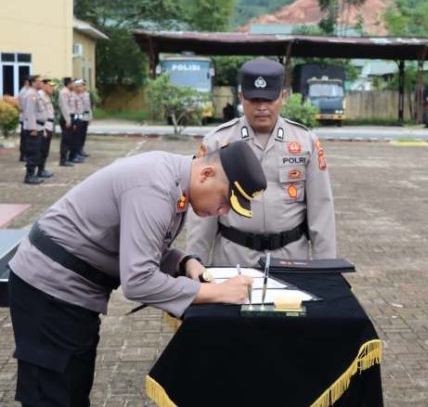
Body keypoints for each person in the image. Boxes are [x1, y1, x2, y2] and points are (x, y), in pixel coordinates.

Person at [8, 141, 267, 406]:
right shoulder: (154, 187)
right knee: (53, 396)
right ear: (206, 174)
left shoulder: (175, 182)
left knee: (73, 388)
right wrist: (217, 292)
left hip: (74, 291)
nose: (222, 211)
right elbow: (138, 281)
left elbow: (143, 245)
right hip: (49, 288)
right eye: (225, 200)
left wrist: (183, 262)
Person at [186, 57, 337, 267]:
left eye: (269, 100)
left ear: (283, 96)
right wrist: (195, 263)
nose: (262, 107)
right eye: (254, 100)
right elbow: (202, 213)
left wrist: (327, 270)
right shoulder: (217, 142)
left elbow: (321, 208)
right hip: (234, 258)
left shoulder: (305, 142)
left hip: (291, 258)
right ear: (241, 97)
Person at [21, 75, 48, 185]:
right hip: (34, 128)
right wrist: (33, 128)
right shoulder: (31, 95)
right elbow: (30, 112)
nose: (41, 83)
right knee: (33, 152)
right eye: (39, 81)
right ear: (33, 83)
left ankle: (33, 174)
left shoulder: (36, 94)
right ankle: (29, 176)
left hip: (39, 126)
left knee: (37, 152)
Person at [36, 79, 57, 179]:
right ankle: (39, 170)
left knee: (45, 149)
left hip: (49, 125)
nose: (52, 88)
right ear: (44, 86)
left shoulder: (47, 96)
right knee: (42, 149)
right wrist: (44, 128)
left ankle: (42, 169)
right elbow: (39, 114)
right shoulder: (39, 95)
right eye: (50, 86)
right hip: (44, 126)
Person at [58, 77, 79, 167]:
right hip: (66, 118)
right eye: (73, 83)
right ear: (69, 84)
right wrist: (68, 120)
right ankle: (63, 160)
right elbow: (64, 107)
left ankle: (68, 158)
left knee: (70, 139)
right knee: (65, 140)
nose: (74, 85)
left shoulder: (69, 92)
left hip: (71, 117)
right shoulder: (64, 92)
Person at [73, 79, 91, 158]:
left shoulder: (86, 94)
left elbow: (88, 106)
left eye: (83, 86)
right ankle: (77, 151)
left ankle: (81, 149)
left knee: (83, 134)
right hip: (79, 116)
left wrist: (90, 116)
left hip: (86, 116)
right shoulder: (75, 95)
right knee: (78, 135)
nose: (82, 87)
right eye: (80, 86)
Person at [17, 76, 31, 162]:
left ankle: (24, 154)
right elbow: (23, 106)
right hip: (24, 118)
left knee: (26, 137)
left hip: (26, 117)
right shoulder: (24, 91)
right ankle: (23, 155)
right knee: (25, 137)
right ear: (26, 82)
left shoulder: (27, 91)